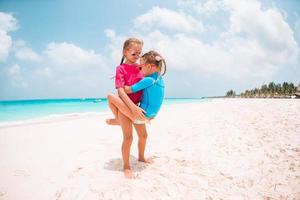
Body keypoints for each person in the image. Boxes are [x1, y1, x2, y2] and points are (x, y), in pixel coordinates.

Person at [106, 50, 166, 178]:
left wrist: (123, 82)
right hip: (145, 116)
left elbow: (128, 89)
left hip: (140, 115)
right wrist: (120, 76)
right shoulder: (159, 79)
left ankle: (117, 121)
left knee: (110, 96)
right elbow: (144, 69)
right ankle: (130, 164)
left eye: (142, 66)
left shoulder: (148, 80)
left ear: (149, 67)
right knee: (140, 137)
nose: (140, 67)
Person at [106, 38, 148, 179]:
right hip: (126, 107)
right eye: (133, 53)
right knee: (128, 138)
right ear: (124, 52)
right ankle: (126, 166)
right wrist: (131, 108)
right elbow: (121, 91)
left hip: (137, 107)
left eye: (139, 53)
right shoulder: (120, 69)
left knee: (143, 136)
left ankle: (141, 157)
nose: (137, 57)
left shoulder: (140, 67)